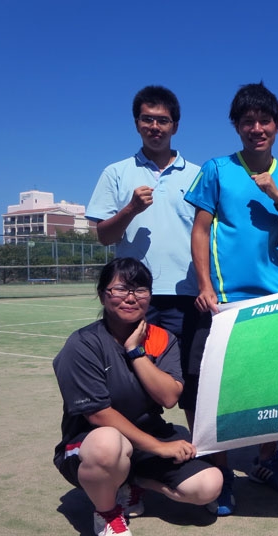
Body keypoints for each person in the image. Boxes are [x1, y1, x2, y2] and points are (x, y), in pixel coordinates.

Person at [186, 82, 278, 515]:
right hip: (222, 300)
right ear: (237, 126)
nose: (257, 128)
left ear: (277, 126)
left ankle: (264, 462)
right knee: (217, 392)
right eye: (248, 121)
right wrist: (204, 286)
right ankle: (219, 476)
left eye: (265, 121)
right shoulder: (217, 169)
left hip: (273, 299)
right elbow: (200, 231)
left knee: (267, 389)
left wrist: (277, 196)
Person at [52, 258, 222, 536]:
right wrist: (160, 447)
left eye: (140, 290)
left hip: (145, 437)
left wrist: (136, 351)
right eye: (120, 289)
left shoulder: (161, 338)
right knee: (108, 443)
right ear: (103, 293)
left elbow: (169, 397)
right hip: (90, 443)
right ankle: (108, 514)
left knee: (209, 485)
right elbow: (98, 414)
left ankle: (131, 480)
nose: (131, 297)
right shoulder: (82, 344)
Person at [85, 85, 202, 426]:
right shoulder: (116, 173)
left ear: (175, 126)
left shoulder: (197, 175)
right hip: (134, 297)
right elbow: (104, 235)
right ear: (137, 123)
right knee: (131, 379)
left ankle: (199, 456)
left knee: (191, 382)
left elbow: (208, 233)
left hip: (187, 294)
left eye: (162, 120)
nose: (155, 127)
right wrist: (131, 210)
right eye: (147, 119)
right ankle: (137, 457)